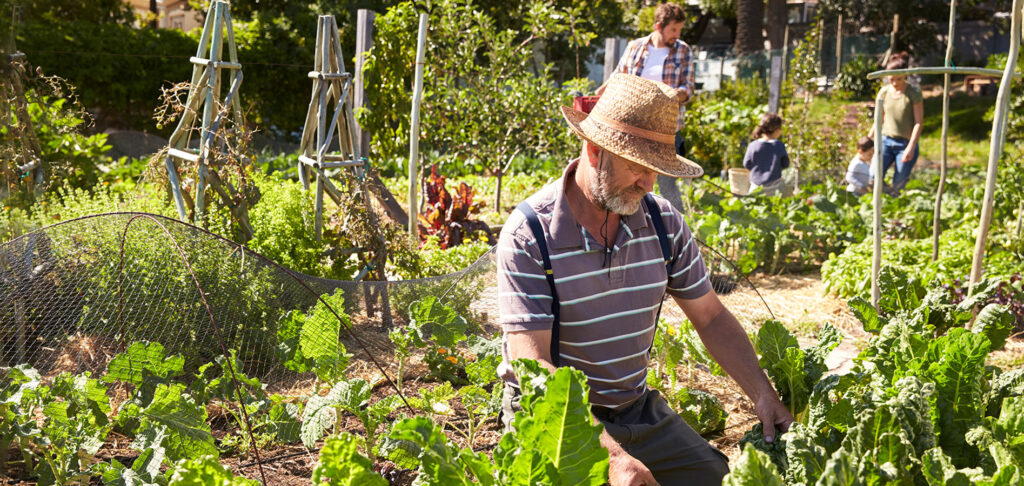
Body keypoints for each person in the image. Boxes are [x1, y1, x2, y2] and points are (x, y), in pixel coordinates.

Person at [497, 73, 794, 486]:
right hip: (554, 419)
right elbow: (533, 364)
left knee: (718, 479)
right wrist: (615, 460)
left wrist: (763, 393)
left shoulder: (662, 221)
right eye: (638, 166)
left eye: (656, 169)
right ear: (594, 151)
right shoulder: (530, 233)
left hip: (636, 409)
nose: (650, 183)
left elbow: (710, 317)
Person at [597, 2, 694, 211]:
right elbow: (619, 75)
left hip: (666, 128)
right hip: (632, 126)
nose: (677, 34)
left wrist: (671, 96)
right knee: (631, 177)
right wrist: (601, 91)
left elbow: (689, 87)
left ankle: (676, 223)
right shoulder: (636, 47)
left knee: (666, 181)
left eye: (679, 30)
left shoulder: (683, 51)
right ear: (659, 26)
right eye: (673, 29)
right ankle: (635, 218)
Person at [868, 51, 923, 196]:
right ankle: (881, 204)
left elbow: (918, 122)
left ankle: (894, 209)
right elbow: (879, 119)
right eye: (891, 79)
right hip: (886, 141)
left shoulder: (913, 92)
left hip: (905, 144)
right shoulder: (884, 92)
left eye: (898, 79)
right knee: (873, 177)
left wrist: (911, 147)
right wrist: (869, 141)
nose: (894, 83)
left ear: (905, 76)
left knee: (898, 185)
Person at [742, 113, 789, 196]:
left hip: (755, 185)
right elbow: (785, 164)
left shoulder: (753, 145)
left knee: (753, 206)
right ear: (777, 129)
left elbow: (746, 164)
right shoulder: (779, 145)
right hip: (774, 187)